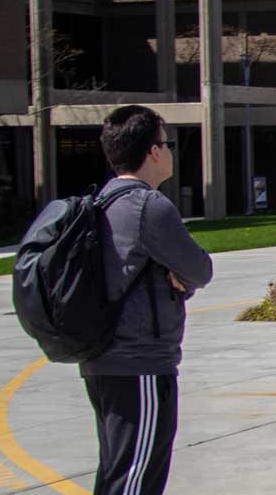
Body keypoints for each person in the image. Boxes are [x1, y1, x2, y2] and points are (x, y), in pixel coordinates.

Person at [82, 105, 214, 495]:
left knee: (117, 474)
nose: (170, 151)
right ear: (153, 152)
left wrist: (179, 277)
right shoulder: (148, 207)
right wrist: (182, 281)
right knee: (137, 478)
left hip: (103, 360)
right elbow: (199, 268)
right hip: (140, 362)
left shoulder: (101, 202)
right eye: (167, 143)